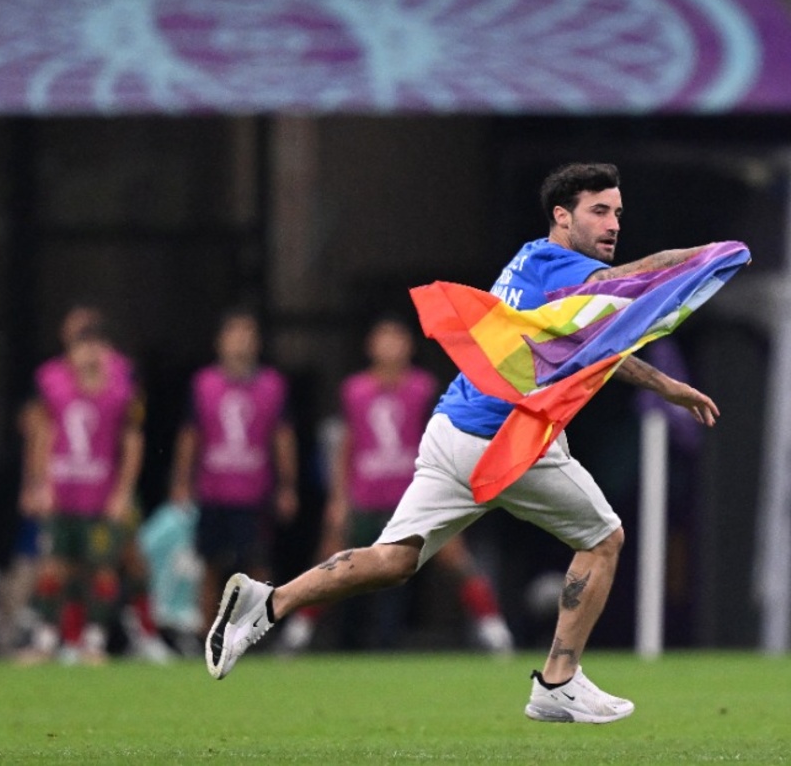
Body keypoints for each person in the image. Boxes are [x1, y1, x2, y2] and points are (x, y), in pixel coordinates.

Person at [205, 163, 720, 726]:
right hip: (503, 436)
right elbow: (625, 285)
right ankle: (558, 681)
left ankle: (268, 602)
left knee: (394, 559)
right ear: (561, 216)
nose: (613, 222)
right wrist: (701, 257)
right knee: (604, 539)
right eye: (600, 210)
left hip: (453, 428)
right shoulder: (562, 265)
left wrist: (666, 385)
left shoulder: (530, 259)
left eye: (618, 212)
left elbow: (597, 344)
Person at [279, 316, 513, 656]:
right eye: (383, 338)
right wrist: (338, 499)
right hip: (365, 495)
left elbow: (440, 438)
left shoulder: (423, 387)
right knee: (332, 558)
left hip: (413, 494)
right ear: (370, 346)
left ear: (409, 346)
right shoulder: (354, 390)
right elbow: (345, 445)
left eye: (397, 338)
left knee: (454, 556)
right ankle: (297, 632)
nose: (390, 346)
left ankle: (495, 631)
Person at [17, 315, 145, 664]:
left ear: (105, 352)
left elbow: (132, 443)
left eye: (95, 348)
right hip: (63, 495)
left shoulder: (120, 393)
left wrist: (122, 493)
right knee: (54, 567)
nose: (88, 355)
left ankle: (94, 641)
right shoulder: (55, 388)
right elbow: (43, 435)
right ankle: (44, 641)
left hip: (100, 497)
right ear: (69, 353)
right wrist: (39, 484)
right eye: (80, 348)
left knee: (102, 569)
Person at [169, 309, 297, 637]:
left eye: (247, 336)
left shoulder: (271, 386)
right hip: (213, 490)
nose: (240, 343)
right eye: (234, 335)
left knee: (257, 563)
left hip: (253, 492)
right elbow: (190, 435)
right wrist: (181, 481)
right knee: (209, 563)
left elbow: (282, 437)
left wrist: (287, 485)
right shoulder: (204, 385)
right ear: (220, 342)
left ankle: (261, 630)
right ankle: (205, 633)